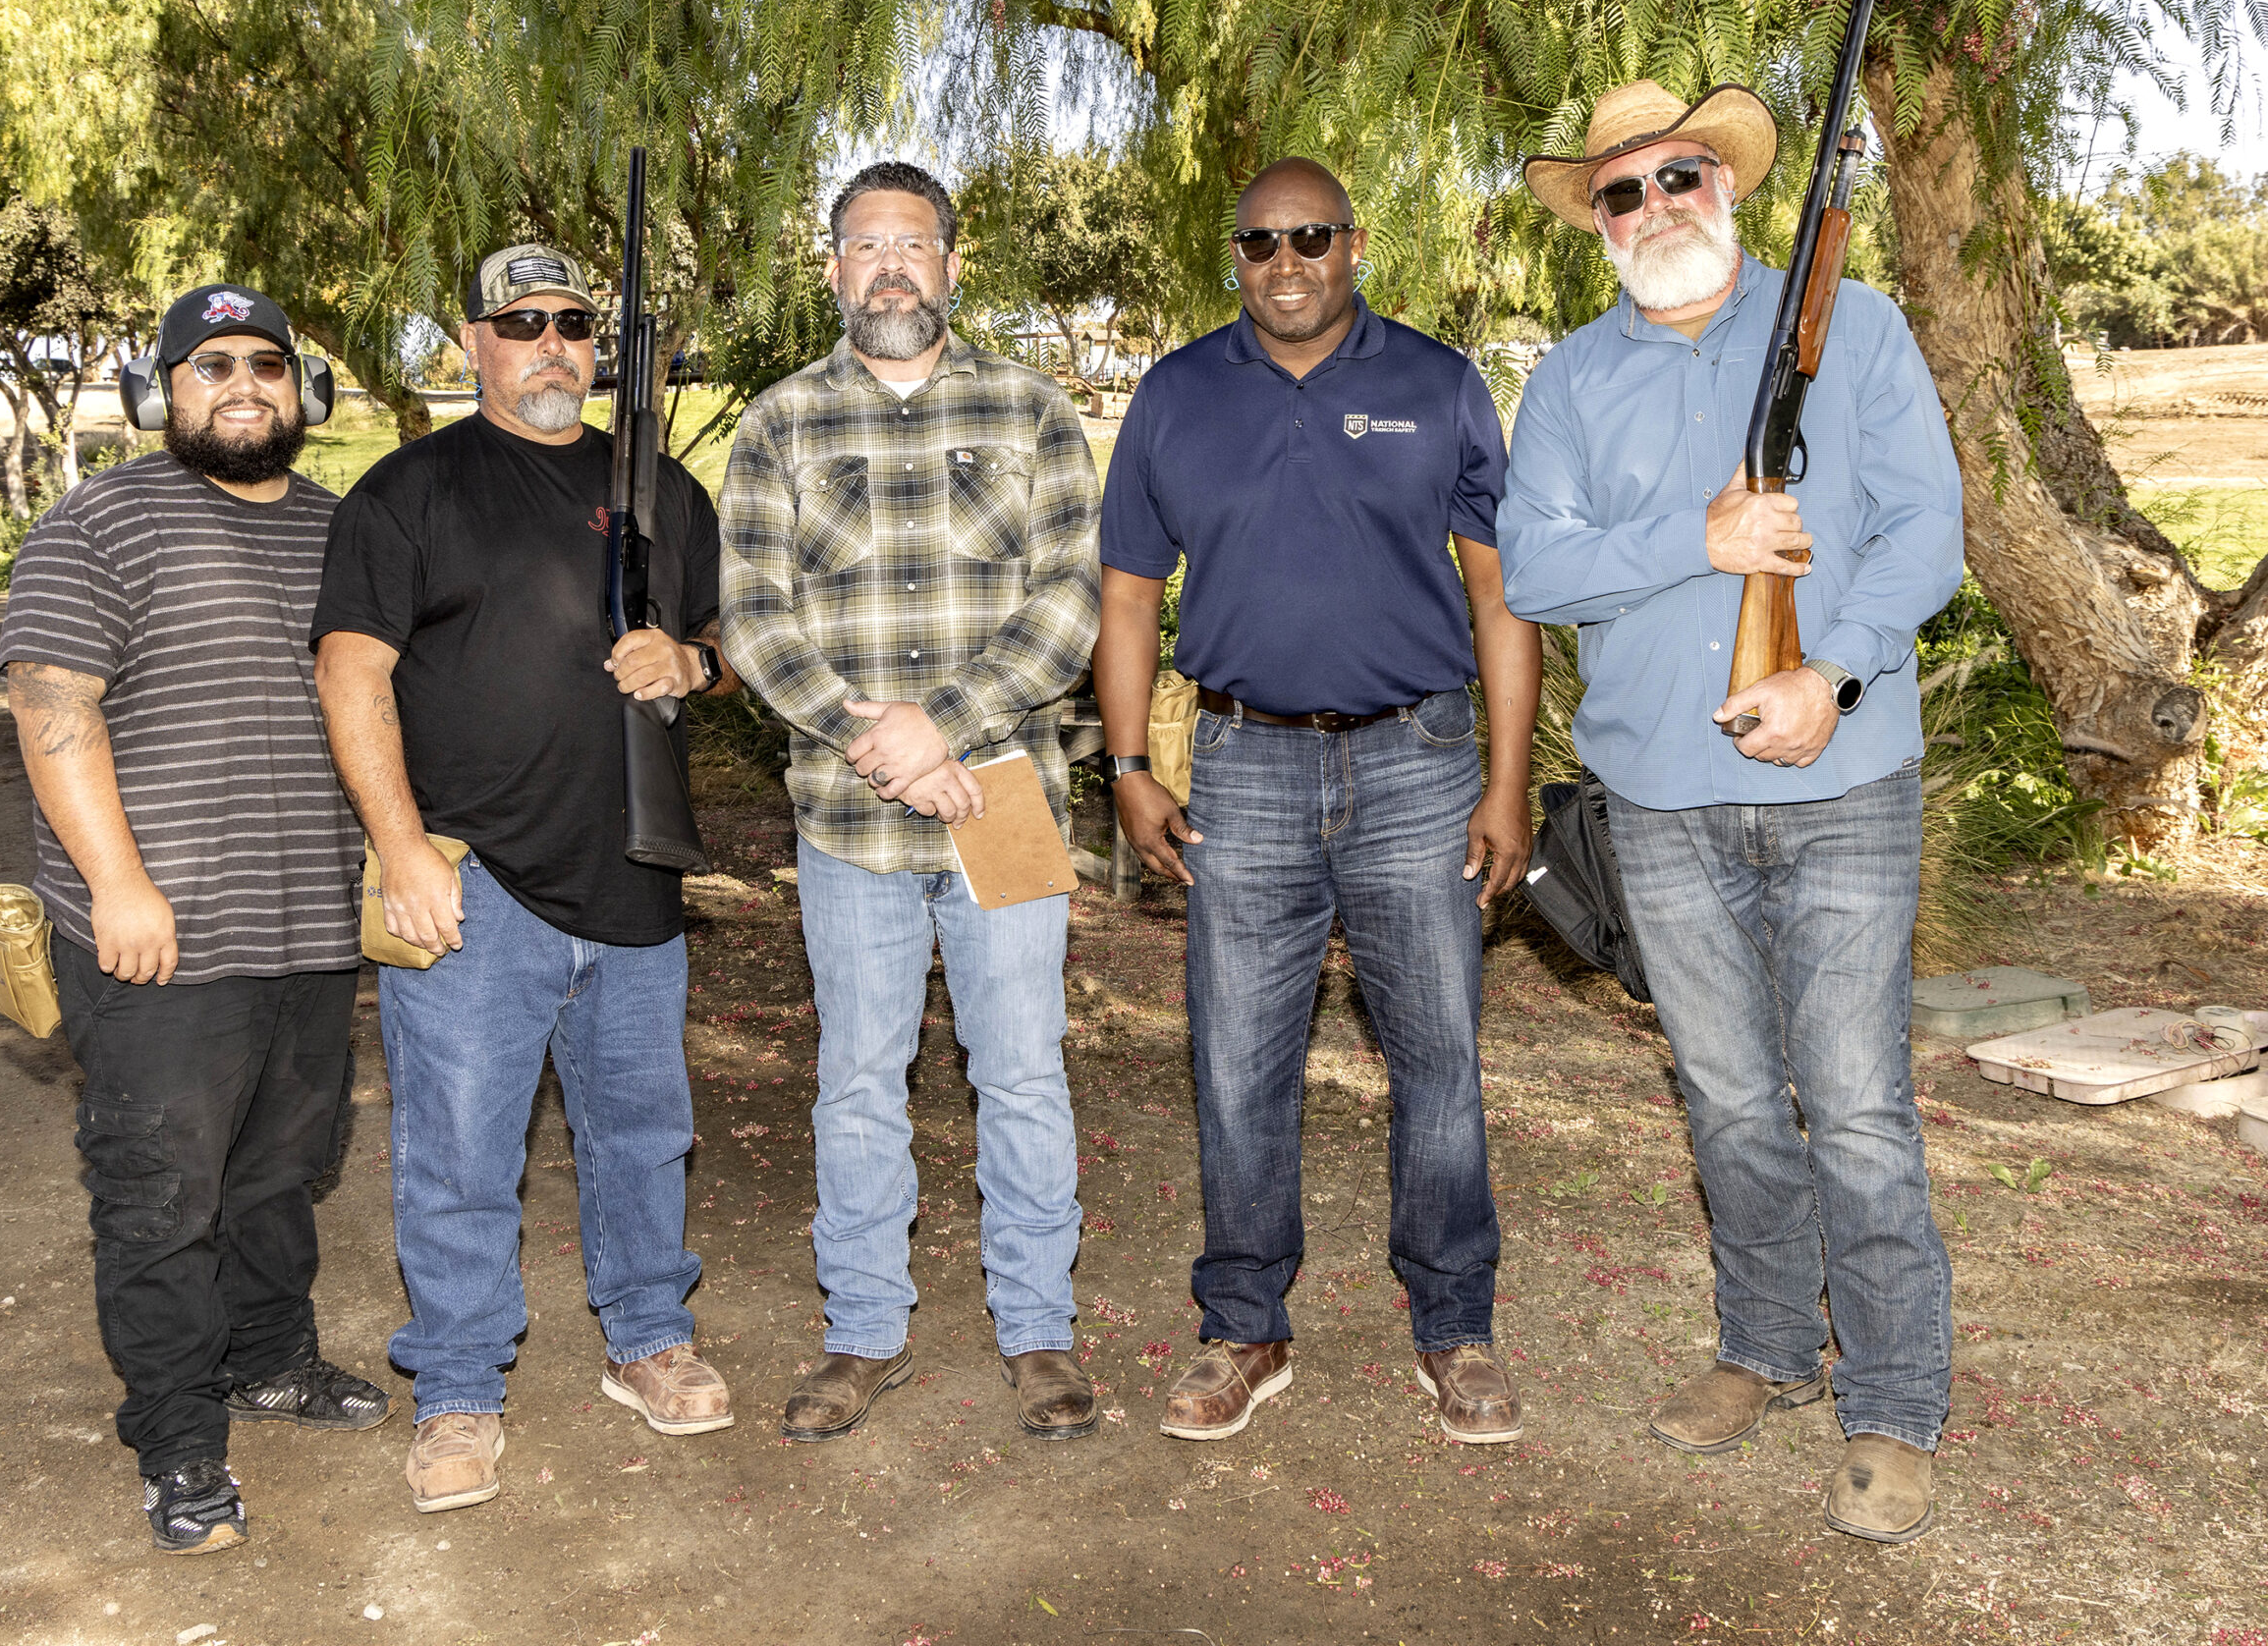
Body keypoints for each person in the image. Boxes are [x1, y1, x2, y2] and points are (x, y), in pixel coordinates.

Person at [1497, 81, 1964, 1543]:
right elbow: (1535, 569)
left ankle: (1892, 1403)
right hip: (1658, 799)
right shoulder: (1571, 381)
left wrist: (1833, 670)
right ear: (1597, 222)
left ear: (1734, 186)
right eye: (1622, 191)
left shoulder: (1854, 329)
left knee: (1860, 1107)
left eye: (1680, 176)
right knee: (1728, 1099)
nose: (1655, 208)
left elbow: (1928, 532)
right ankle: (1762, 1348)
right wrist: (1694, 539)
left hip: (1844, 782)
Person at [1094, 157, 1541, 1447]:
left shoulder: (1439, 384)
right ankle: (1245, 1325)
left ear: (1354, 244)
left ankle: (1455, 1326)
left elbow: (1501, 595)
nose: (1285, 263)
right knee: (1238, 1061)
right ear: (1234, 258)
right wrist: (1127, 768)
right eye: (1259, 243)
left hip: (1418, 763)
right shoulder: (1176, 394)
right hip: (1243, 767)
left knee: (1438, 1060)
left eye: (1311, 238)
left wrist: (1507, 783)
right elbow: (1128, 594)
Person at [313, 243, 739, 1514]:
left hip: (636, 874)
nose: (551, 343)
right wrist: (402, 851)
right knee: (458, 1154)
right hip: (475, 883)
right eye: (520, 322)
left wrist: (692, 665)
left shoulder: (662, 489)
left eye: (571, 322)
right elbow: (349, 673)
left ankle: (649, 1337)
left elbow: (729, 640)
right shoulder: (408, 490)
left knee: (643, 1135)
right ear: (472, 343)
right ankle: (456, 1390)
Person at [717, 161, 1103, 1444]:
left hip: (1008, 803)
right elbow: (755, 624)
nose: (891, 267)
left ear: (951, 262)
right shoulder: (780, 425)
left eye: (913, 244)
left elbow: (1068, 609)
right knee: (858, 1083)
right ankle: (864, 1332)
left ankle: (1038, 1332)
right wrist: (879, 743)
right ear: (835, 269)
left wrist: (942, 726)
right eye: (866, 246)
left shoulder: (1032, 410)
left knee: (1025, 1075)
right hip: (848, 818)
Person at [0, 283, 383, 1556]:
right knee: (161, 1196)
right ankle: (177, 1440)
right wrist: (117, 883)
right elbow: (52, 704)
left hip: (310, 930)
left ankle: (270, 1360)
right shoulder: (100, 522)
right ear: (158, 392)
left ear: (302, 389)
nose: (242, 386)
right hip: (159, 940)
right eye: (209, 365)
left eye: (265, 363)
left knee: (279, 1174)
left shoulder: (343, 528)